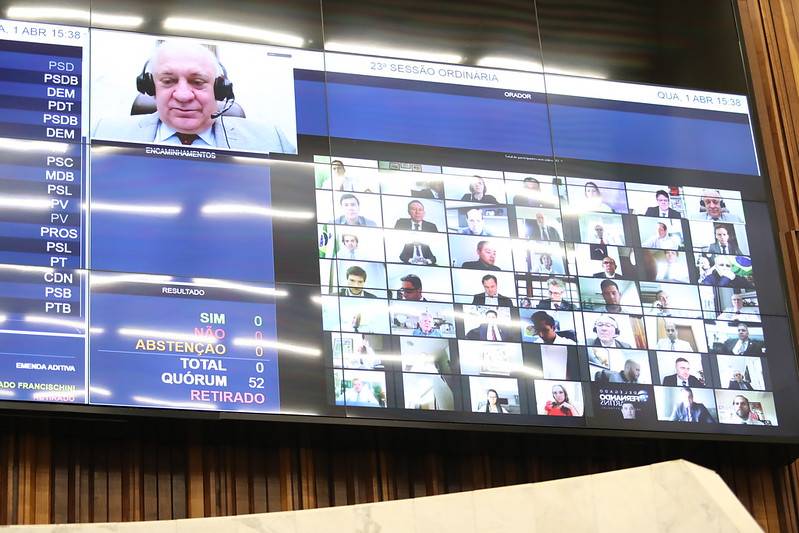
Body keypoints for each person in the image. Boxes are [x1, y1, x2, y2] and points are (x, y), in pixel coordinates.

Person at [93, 41, 295, 153]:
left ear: (220, 89)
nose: (183, 95)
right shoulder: (104, 135)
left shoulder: (272, 142)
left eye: (197, 82)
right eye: (168, 81)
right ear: (150, 86)